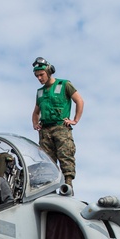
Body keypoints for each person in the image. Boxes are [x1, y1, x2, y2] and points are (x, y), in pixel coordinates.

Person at [31, 57, 83, 189]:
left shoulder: (64, 85)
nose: (39, 78)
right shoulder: (40, 92)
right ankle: (49, 189)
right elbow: (36, 112)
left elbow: (79, 101)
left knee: (66, 157)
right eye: (37, 76)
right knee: (47, 163)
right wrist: (35, 123)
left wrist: (75, 120)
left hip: (61, 127)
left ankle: (68, 187)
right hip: (45, 131)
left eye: (41, 75)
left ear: (49, 72)